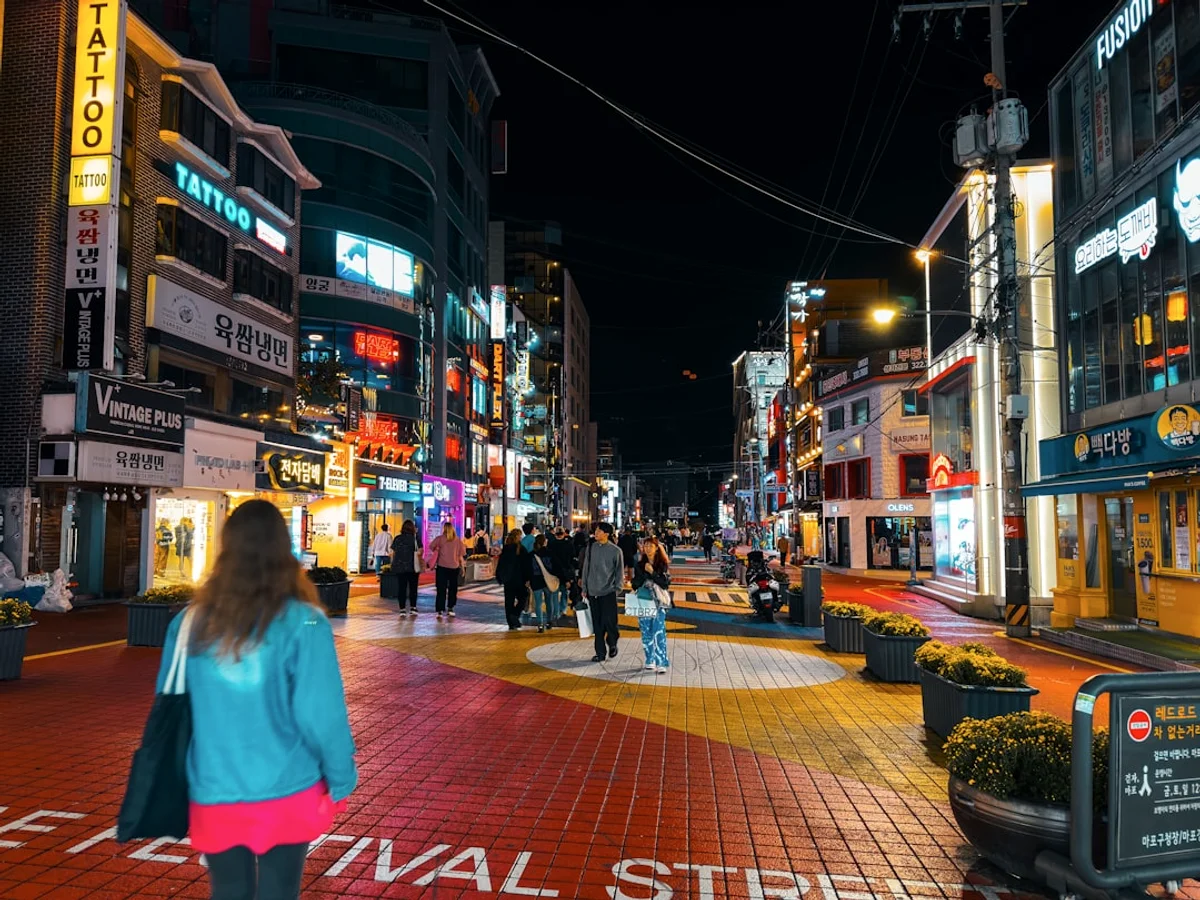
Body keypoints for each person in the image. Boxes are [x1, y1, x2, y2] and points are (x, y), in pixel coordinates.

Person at [155, 500, 356, 900]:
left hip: (214, 788)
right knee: (280, 891)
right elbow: (320, 712)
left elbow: (171, 701)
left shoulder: (188, 622)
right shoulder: (306, 620)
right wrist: (341, 775)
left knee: (228, 890)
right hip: (287, 786)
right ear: (284, 551)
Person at [580, 522, 624, 662]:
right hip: (593, 592)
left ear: (606, 534)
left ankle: (612, 642)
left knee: (610, 622)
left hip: (608, 592)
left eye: (598, 531)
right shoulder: (591, 548)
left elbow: (619, 572)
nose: (596, 533)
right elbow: (586, 568)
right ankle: (600, 653)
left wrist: (617, 588)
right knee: (597, 624)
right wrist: (585, 587)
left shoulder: (616, 551)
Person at [633, 533, 671, 673]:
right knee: (646, 630)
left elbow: (665, 584)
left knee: (659, 631)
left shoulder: (663, 564)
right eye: (646, 545)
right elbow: (635, 583)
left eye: (651, 546)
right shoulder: (639, 564)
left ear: (657, 548)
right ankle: (650, 659)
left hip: (658, 602)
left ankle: (661, 661)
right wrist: (642, 578)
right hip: (643, 600)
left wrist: (653, 572)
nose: (647, 548)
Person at [426, 522, 466, 619]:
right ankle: (450, 608)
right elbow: (461, 555)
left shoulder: (440, 539)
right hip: (454, 567)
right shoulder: (458, 541)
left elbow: (431, 546)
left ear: (444, 529)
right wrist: (462, 567)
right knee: (453, 589)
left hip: (442, 567)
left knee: (441, 589)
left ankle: (440, 610)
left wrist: (437, 549)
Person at [495, 529, 532, 630]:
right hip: (519, 579)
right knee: (523, 597)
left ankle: (511, 622)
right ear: (518, 537)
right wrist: (528, 578)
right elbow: (526, 565)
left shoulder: (506, 549)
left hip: (508, 579)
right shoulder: (521, 549)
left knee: (509, 601)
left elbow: (501, 564)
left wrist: (499, 576)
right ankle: (515, 615)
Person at [530, 534, 562, 633]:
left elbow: (527, 569)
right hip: (548, 581)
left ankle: (540, 624)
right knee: (549, 602)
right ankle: (549, 621)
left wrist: (527, 580)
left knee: (538, 603)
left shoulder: (532, 554)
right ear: (544, 542)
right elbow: (557, 566)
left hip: (535, 581)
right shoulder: (550, 553)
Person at [390, 520, 423, 617]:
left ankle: (402, 609)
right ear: (413, 528)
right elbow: (420, 551)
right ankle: (413, 607)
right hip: (413, 567)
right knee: (413, 588)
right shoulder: (415, 539)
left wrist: (393, 563)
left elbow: (392, 552)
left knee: (402, 588)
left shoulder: (397, 538)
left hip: (400, 567)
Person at [549, 527, 577, 623]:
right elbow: (572, 558)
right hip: (566, 571)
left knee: (555, 592)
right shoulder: (568, 544)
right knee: (564, 592)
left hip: (554, 571)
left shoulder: (551, 544)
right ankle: (563, 609)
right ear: (564, 533)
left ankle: (556, 612)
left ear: (555, 534)